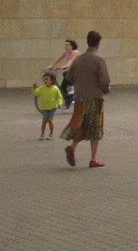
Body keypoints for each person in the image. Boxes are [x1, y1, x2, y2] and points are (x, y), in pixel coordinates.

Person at [62, 31, 111, 168]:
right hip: (95, 98)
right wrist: (106, 90)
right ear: (98, 43)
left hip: (80, 98)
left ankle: (72, 146)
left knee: (82, 125)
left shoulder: (78, 59)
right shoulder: (99, 60)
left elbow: (69, 78)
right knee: (96, 127)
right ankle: (93, 159)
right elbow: (104, 80)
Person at [48, 39, 80, 109]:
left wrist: (66, 65)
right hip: (71, 71)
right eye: (65, 45)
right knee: (64, 82)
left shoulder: (75, 52)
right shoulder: (66, 52)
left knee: (64, 83)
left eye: (67, 45)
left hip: (78, 72)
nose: (65, 46)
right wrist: (51, 65)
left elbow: (71, 60)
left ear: (72, 45)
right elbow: (58, 59)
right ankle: (69, 97)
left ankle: (70, 97)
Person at [32, 71, 65, 140]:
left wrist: (59, 103)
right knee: (44, 120)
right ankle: (42, 134)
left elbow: (59, 97)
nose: (45, 80)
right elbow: (36, 93)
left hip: (52, 107)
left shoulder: (55, 89)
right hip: (44, 107)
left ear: (52, 81)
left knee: (50, 120)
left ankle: (51, 134)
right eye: (44, 79)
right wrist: (34, 88)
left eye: (47, 79)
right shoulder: (42, 88)